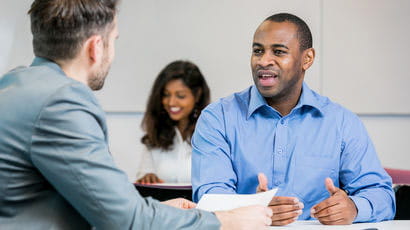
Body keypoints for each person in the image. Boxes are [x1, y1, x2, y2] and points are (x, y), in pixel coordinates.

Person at [0, 1, 273, 229]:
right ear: (96, 47)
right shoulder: (62, 102)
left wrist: (152, 211)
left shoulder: (14, 84)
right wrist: (223, 220)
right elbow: (126, 221)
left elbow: (91, 207)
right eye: (113, 40)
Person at [191, 13, 395, 226]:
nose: (264, 61)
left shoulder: (340, 122)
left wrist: (353, 207)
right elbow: (209, 197)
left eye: (278, 52)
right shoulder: (217, 118)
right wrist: (253, 208)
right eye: (258, 51)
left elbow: (381, 195)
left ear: (307, 59)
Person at [136, 61, 210, 184]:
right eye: (166, 95)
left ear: (197, 95)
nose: (171, 103)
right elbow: (143, 177)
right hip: (164, 203)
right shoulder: (155, 136)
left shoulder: (212, 134)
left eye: (180, 96)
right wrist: (147, 177)